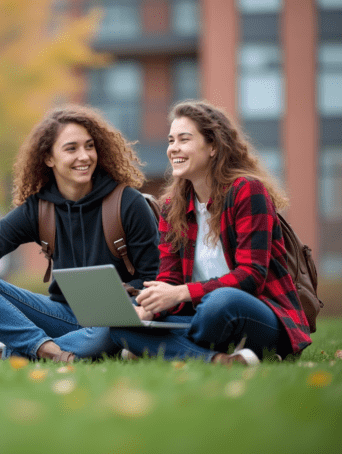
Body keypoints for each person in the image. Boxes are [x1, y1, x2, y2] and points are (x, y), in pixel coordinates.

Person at [0, 104, 159, 363]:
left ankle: (13, 353)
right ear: (49, 158)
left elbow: (153, 280)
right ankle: (46, 350)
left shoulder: (128, 203)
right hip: (62, 317)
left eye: (89, 146)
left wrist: (123, 302)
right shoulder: (39, 209)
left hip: (118, 318)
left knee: (110, 331)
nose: (84, 156)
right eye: (71, 148)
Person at [110, 100, 312, 365]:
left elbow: (251, 277)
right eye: (171, 141)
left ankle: (162, 348)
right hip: (201, 316)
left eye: (184, 139)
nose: (174, 149)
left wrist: (182, 293)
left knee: (219, 303)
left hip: (257, 312)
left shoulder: (247, 191)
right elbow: (169, 279)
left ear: (214, 146)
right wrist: (150, 310)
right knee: (121, 328)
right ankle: (221, 360)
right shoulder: (172, 207)